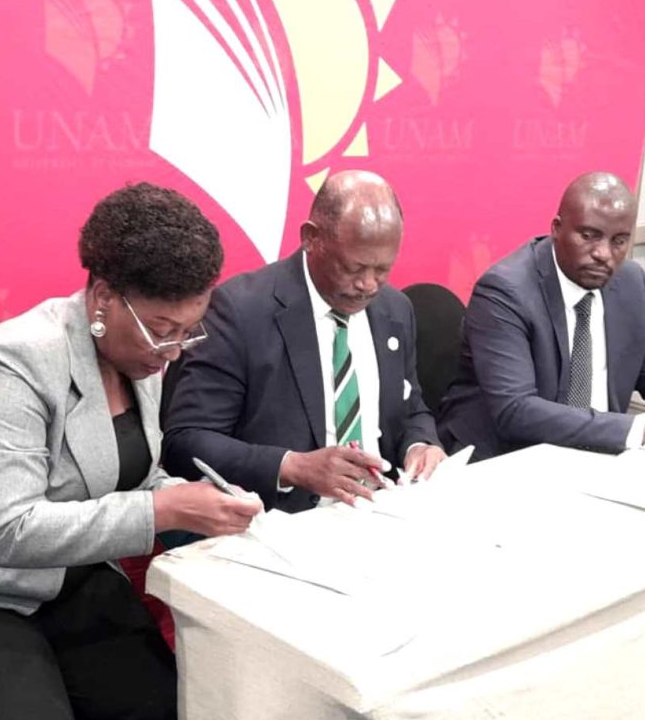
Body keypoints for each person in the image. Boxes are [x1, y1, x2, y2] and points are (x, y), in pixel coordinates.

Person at [0, 183, 262, 720]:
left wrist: (199, 499)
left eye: (188, 332)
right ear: (103, 298)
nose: (172, 352)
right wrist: (163, 509)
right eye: (162, 331)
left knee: (164, 710)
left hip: (58, 574)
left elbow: (132, 476)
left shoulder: (139, 358)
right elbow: (11, 531)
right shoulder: (11, 363)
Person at [162, 170, 446, 512]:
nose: (369, 285)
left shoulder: (394, 310)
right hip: (281, 521)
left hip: (380, 511)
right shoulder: (240, 311)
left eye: (383, 270)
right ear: (311, 238)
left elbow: (411, 407)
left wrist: (421, 445)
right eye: (353, 268)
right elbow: (186, 441)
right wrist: (291, 467)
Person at [437, 171, 645, 460]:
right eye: (589, 236)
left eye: (619, 241)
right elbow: (516, 411)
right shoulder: (506, 291)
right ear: (557, 229)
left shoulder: (629, 282)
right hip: (506, 458)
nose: (604, 254)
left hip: (597, 455)